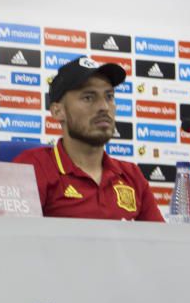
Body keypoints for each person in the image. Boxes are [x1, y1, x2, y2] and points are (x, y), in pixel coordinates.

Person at [14, 56, 163, 221]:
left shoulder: (132, 175)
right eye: (88, 97)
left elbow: (160, 244)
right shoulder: (32, 168)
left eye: (109, 96)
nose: (104, 107)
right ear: (58, 111)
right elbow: (14, 242)